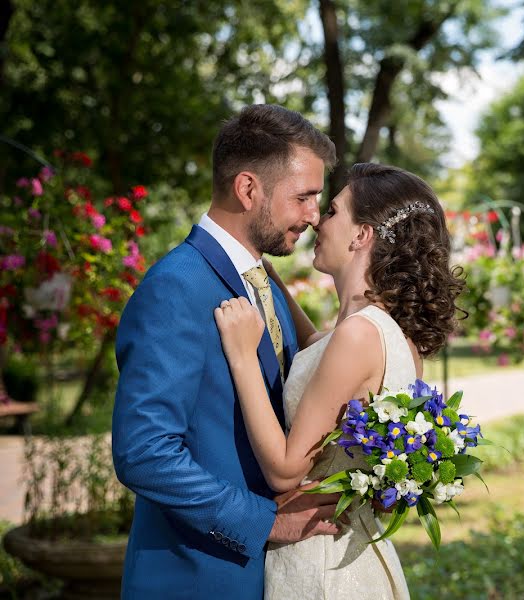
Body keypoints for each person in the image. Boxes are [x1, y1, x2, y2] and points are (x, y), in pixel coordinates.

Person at [112, 104, 343, 599]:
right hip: (196, 577)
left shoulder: (263, 278)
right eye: (303, 197)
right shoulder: (175, 287)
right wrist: (264, 523)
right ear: (247, 189)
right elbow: (144, 453)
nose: (312, 215)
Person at [214, 162, 466, 599]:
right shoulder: (389, 333)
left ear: (361, 234)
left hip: (322, 567)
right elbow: (316, 352)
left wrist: (242, 357)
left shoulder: (357, 335)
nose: (316, 220)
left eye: (331, 211)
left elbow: (285, 470)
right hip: (355, 557)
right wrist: (265, 280)